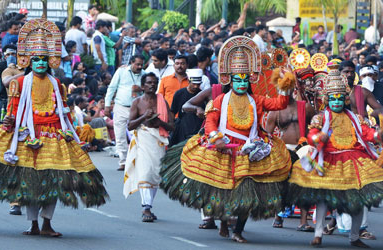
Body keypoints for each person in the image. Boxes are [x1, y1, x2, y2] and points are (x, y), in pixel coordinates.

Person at [160, 36, 295, 243]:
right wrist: (216, 138)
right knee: (223, 191)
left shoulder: (256, 100)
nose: (241, 83)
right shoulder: (221, 99)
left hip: (248, 151)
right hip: (223, 149)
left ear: (250, 81)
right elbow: (211, 120)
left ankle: (238, 231)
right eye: (237, 79)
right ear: (230, 80)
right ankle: (222, 219)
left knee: (246, 194)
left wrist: (285, 85)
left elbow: (279, 104)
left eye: (245, 79)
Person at [0, 18, 108, 236]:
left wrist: (74, 136)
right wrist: (8, 122)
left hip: (54, 136)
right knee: (32, 183)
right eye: (36, 59)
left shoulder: (57, 85)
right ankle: (33, 225)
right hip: (27, 135)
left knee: (54, 181)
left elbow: (65, 114)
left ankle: (47, 223)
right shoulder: (18, 83)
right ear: (29, 61)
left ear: (51, 61)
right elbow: (12, 110)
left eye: (44, 59)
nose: (40, 63)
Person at [286, 63, 383, 248]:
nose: (337, 102)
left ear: (345, 100)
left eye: (340, 99)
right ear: (328, 100)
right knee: (324, 199)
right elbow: (311, 134)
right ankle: (318, 234)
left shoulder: (355, 118)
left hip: (355, 161)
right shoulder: (321, 118)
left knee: (358, 201)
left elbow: (366, 133)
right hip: (329, 160)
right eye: (333, 99)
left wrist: (378, 135)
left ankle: (354, 237)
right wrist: (318, 137)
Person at [123, 72, 174, 222]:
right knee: (145, 172)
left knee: (155, 174)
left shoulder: (162, 102)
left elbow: (172, 126)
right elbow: (130, 125)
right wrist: (144, 117)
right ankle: (146, 208)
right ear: (143, 85)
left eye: (154, 83)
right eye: (149, 82)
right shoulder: (137, 102)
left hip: (158, 141)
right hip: (143, 139)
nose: (152, 85)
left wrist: (160, 123)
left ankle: (149, 205)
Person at [266, 91, 316, 231]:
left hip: (304, 149)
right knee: (282, 183)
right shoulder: (276, 110)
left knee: (305, 184)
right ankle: (278, 216)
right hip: (285, 149)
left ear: (293, 89)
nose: (286, 91)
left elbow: (316, 126)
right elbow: (267, 134)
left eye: (288, 87)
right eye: (283, 88)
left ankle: (303, 221)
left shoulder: (305, 107)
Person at [104, 55, 146, 171]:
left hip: (137, 108)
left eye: (141, 64)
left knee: (138, 135)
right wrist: (107, 105)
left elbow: (152, 87)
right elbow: (112, 88)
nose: (139, 67)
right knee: (120, 134)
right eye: (137, 64)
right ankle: (123, 161)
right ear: (131, 63)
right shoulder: (121, 71)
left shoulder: (145, 74)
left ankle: (136, 160)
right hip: (121, 106)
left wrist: (141, 89)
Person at [169, 68, 204, 146]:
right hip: (182, 129)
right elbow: (172, 111)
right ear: (188, 81)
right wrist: (171, 126)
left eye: (198, 84)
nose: (195, 86)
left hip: (197, 129)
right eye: (193, 84)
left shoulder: (202, 95)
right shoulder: (179, 93)